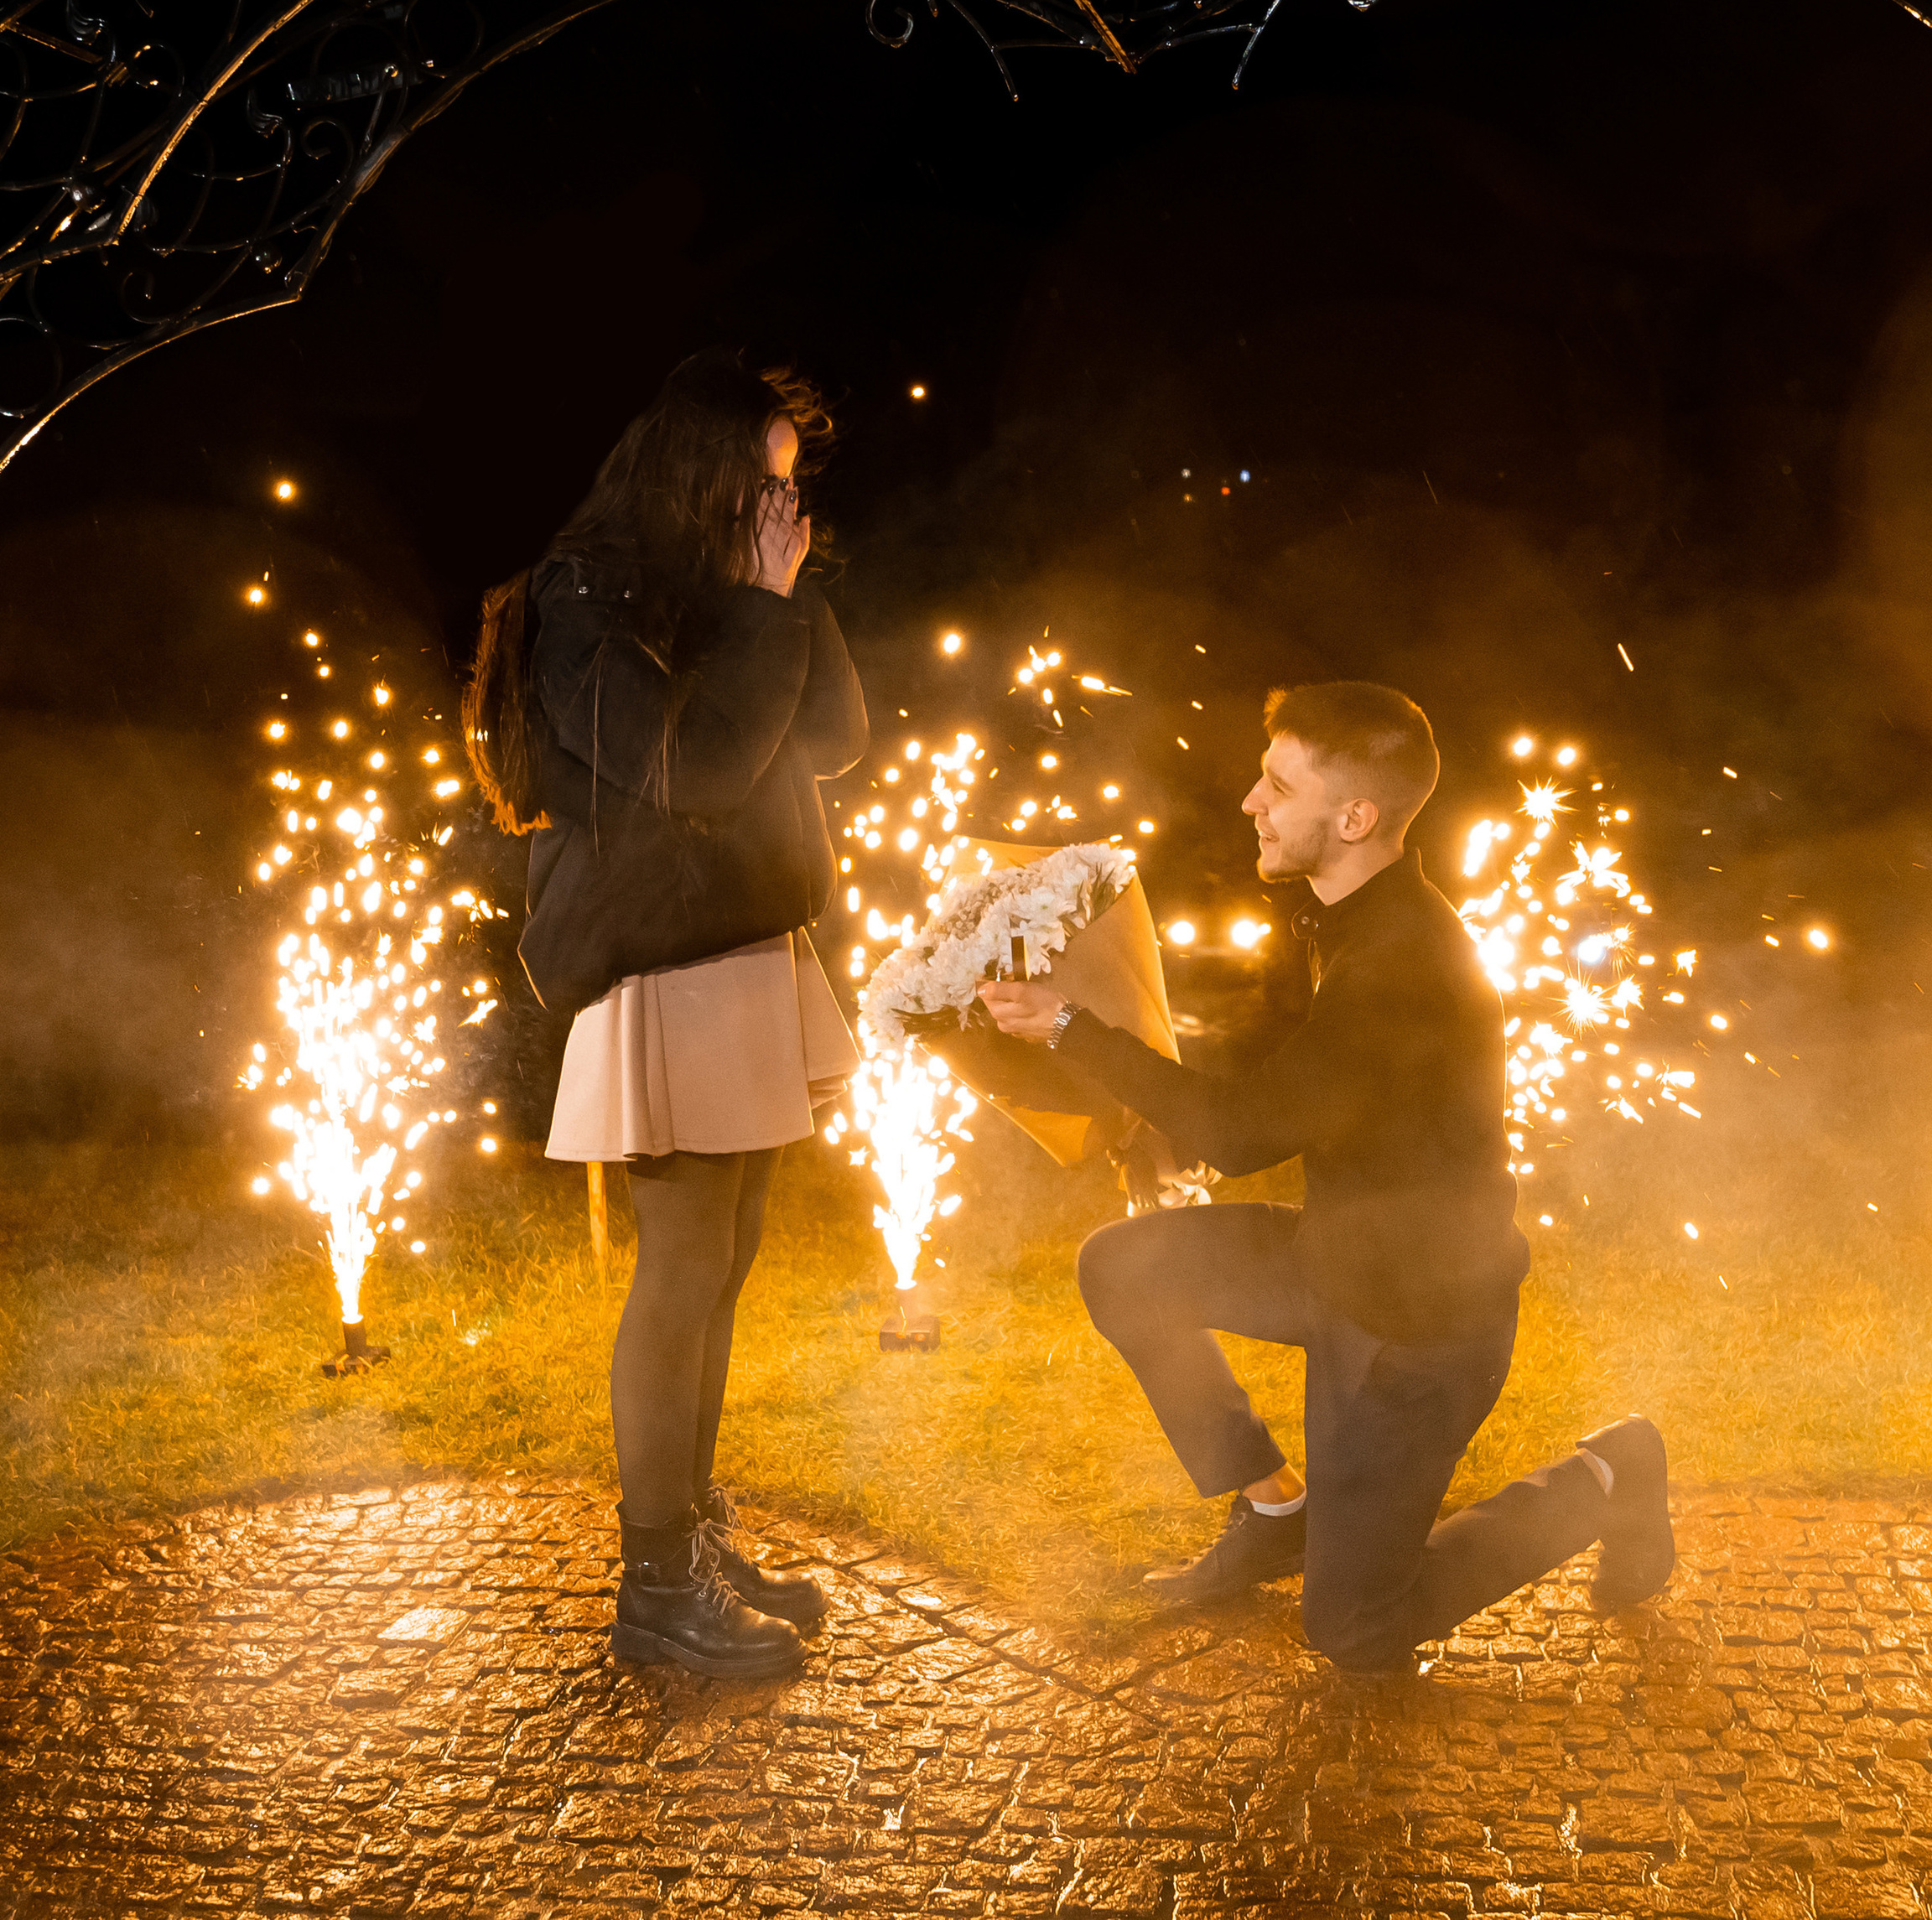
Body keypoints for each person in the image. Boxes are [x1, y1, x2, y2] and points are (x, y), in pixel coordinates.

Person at [978, 682, 1675, 1673]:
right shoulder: (1339, 916)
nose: (1252, 801)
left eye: (1278, 783)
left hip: (1417, 1329)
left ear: (1355, 817)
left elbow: (1243, 1127)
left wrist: (1067, 1028)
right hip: (1335, 1259)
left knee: (1357, 1629)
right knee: (1123, 1267)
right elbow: (1270, 1085)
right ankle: (1275, 1507)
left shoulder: (1401, 966)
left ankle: (1613, 1474)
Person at [464, 349, 868, 1681]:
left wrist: (784, 600)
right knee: (683, 1267)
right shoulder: (589, 599)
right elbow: (694, 772)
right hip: (664, 961)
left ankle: (687, 1537)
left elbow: (836, 738)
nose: (782, 517)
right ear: (700, 476)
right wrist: (762, 607)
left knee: (730, 1258)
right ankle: (654, 1590)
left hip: (743, 944)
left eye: (791, 497)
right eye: (765, 489)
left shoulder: (727, 596)